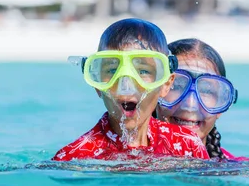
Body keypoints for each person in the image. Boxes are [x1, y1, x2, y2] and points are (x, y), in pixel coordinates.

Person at [53, 19, 210, 161]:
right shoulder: (74, 157)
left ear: (165, 85)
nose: (126, 85)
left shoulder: (187, 145)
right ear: (97, 86)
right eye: (113, 71)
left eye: (142, 71)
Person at [157, 38, 249, 162]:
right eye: (176, 86)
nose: (190, 105)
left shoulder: (235, 167)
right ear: (153, 93)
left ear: (221, 103)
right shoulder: (129, 156)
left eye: (207, 91)